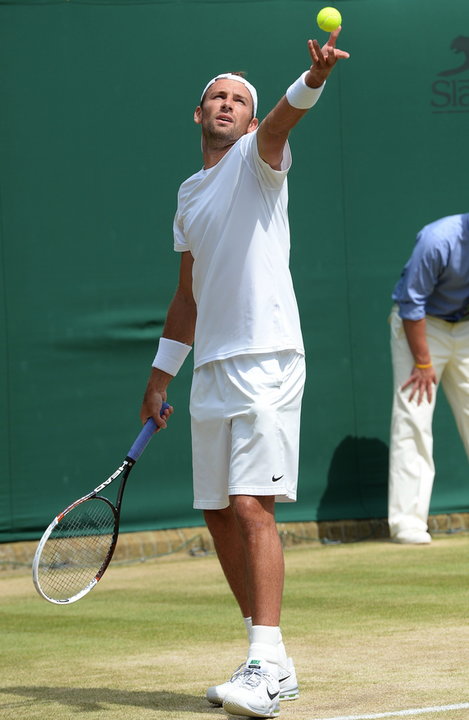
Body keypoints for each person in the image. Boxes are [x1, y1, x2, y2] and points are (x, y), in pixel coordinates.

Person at [140, 29, 349, 719]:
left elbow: (287, 115)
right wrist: (161, 375)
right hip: (210, 369)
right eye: (215, 98)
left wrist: (311, 79)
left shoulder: (260, 159)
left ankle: (262, 662)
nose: (226, 105)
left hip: (267, 359)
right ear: (198, 115)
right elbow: (186, 294)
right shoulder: (188, 192)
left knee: (252, 504)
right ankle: (271, 658)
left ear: (252, 120)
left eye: (238, 99)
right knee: (216, 509)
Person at [388, 213, 469, 545]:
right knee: (414, 415)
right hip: (422, 326)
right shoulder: (439, 239)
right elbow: (411, 303)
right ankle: (407, 522)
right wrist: (423, 363)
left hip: (465, 326)